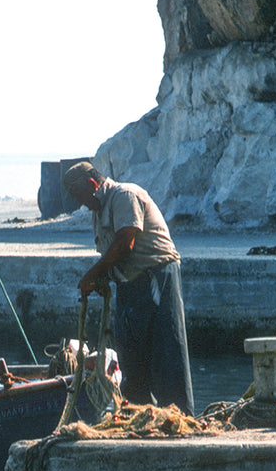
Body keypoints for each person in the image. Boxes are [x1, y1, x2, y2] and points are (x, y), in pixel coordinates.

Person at [62, 160, 195, 413]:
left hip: (156, 278)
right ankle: (142, 416)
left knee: (167, 357)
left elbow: (125, 244)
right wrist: (104, 277)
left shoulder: (125, 195)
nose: (79, 203)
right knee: (132, 363)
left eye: (79, 196)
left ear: (92, 184)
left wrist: (92, 275)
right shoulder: (98, 212)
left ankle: (180, 420)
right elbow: (113, 254)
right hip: (129, 286)